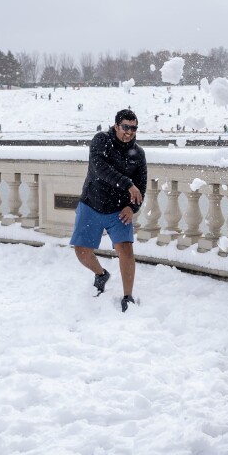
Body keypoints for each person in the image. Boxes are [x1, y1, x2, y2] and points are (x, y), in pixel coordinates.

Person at [71, 109, 147, 312]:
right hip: (91, 204)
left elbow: (141, 188)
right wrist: (127, 184)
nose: (129, 132)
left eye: (133, 128)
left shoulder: (138, 154)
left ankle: (128, 296)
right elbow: (99, 168)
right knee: (82, 252)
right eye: (125, 127)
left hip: (118, 210)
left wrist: (132, 207)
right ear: (116, 126)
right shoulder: (101, 140)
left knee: (126, 250)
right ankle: (101, 274)